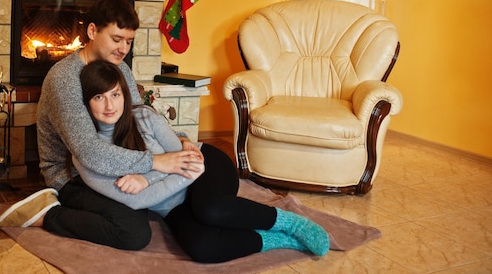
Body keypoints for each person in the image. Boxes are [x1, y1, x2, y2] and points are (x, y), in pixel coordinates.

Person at [0, 0, 204, 251]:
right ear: (92, 31)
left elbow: (139, 117)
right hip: (73, 175)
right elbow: (88, 152)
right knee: (133, 232)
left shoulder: (120, 69)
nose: (123, 49)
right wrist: (157, 163)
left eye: (128, 41)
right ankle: (48, 215)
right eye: (116, 39)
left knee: (189, 177)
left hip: (116, 160)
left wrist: (179, 141)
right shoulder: (64, 78)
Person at [77, 60, 331, 263]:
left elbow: (189, 163)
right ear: (86, 103)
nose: (110, 105)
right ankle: (278, 239)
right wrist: (163, 168)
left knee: (210, 209)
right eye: (99, 97)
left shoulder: (143, 117)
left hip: (207, 167)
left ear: (124, 95)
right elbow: (136, 200)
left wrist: (146, 177)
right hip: (171, 206)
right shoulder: (88, 152)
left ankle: (291, 222)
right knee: (203, 249)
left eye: (115, 94)